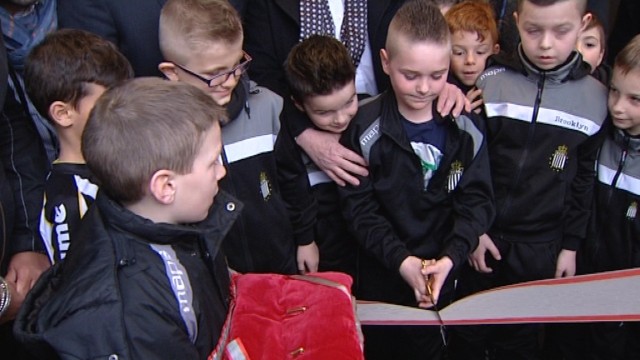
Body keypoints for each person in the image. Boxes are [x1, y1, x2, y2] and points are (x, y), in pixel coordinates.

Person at [14, 78, 239, 359]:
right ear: (165, 187)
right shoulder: (131, 320)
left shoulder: (172, 217)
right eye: (213, 161)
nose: (222, 172)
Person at [449, 0, 608, 359]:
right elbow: (469, 164)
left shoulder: (596, 99)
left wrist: (570, 245)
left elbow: (584, 180)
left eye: (561, 31)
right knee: (467, 333)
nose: (546, 44)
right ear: (516, 22)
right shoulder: (489, 81)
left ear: (583, 24)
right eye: (534, 30)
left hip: (542, 246)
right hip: (483, 238)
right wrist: (472, 231)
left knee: (520, 339)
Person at [338, 1, 494, 358]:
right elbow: (359, 210)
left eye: (437, 75)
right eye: (411, 75)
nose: (425, 88)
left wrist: (452, 257)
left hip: (446, 276)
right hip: (381, 279)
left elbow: (478, 202)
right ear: (385, 62)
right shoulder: (363, 127)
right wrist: (402, 262)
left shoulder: (466, 127)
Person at [242, 0, 469, 190]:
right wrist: (302, 132)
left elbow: (421, 34)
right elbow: (262, 72)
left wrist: (440, 82)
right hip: (308, 137)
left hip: (389, 122)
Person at [158, 0, 297, 274]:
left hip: (278, 259)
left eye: (236, 66)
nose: (231, 80)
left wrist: (305, 238)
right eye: (214, 74)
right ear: (172, 73)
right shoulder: (161, 136)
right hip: (212, 274)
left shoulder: (268, 107)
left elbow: (292, 181)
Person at [25, 29, 133, 264]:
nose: (124, 110)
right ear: (63, 113)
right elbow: (79, 288)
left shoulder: (123, 163)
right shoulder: (68, 200)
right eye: (109, 102)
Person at [275, 35, 359, 280]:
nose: (341, 119)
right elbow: (293, 188)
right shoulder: (290, 138)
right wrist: (305, 240)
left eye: (349, 102)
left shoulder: (369, 116)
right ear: (299, 105)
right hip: (323, 242)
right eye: (324, 112)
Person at [584, 34, 640, 360]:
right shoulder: (597, 134)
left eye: (635, 99)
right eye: (615, 91)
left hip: (625, 304)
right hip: (578, 285)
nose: (618, 106)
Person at [445, 0, 500, 111]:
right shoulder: (441, 89)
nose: (470, 60)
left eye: (480, 52)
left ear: (495, 51)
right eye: (459, 52)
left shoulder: (502, 86)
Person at [576, 13, 610, 85]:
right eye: (570, 43)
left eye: (589, 44)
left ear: (600, 56)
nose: (578, 50)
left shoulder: (609, 90)